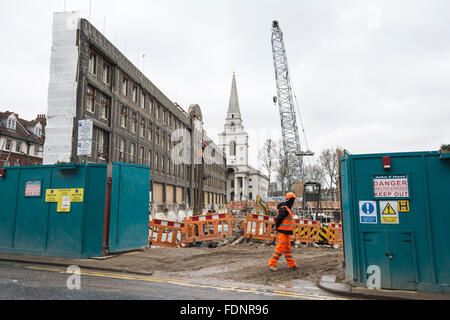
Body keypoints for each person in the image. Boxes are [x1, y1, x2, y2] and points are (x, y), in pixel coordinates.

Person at [268, 192, 299, 271]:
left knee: (287, 249)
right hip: (283, 232)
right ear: (291, 200)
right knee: (279, 248)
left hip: (286, 232)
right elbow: (279, 218)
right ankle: (272, 264)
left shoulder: (287, 208)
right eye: (293, 200)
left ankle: (292, 264)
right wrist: (276, 226)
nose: (294, 202)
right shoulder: (284, 209)